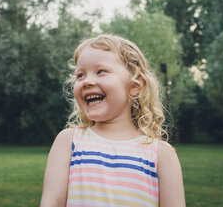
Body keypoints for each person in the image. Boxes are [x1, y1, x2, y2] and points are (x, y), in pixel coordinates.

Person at [41, 34, 185, 207]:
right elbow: (51, 202)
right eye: (80, 75)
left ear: (134, 86)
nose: (87, 81)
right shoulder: (69, 141)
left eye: (101, 71)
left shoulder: (161, 155)